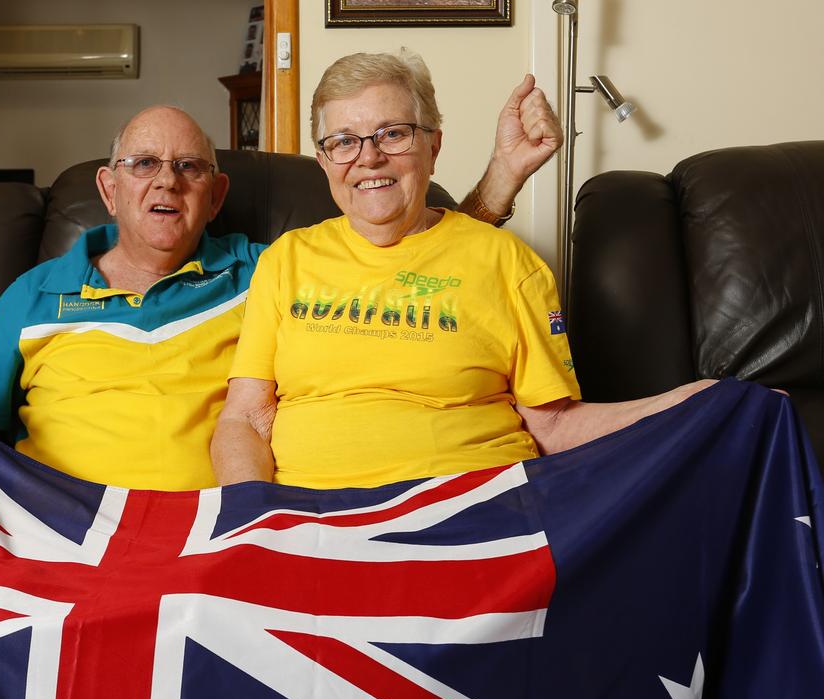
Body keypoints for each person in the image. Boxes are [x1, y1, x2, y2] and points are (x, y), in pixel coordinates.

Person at [0, 78, 563, 490]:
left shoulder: (271, 269)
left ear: (217, 194)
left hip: (201, 533)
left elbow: (403, 255)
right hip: (59, 526)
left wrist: (496, 185)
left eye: (191, 167)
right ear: (107, 188)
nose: (167, 181)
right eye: (144, 164)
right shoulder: (35, 292)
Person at [211, 50, 713, 489]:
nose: (368, 157)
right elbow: (248, 418)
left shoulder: (505, 261)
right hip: (312, 517)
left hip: (473, 514)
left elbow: (554, 427)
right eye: (343, 140)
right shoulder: (287, 260)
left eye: (393, 134)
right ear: (323, 160)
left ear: (434, 145)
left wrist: (701, 405)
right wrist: (254, 517)